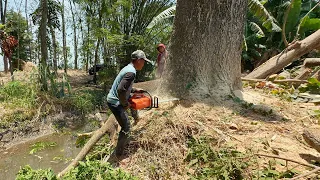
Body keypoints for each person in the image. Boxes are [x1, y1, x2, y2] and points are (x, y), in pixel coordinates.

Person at [107, 50, 151, 157]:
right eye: (143, 61)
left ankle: (136, 119)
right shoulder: (131, 72)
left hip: (116, 99)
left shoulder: (128, 68)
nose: (144, 64)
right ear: (139, 60)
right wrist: (125, 104)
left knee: (134, 98)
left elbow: (125, 87)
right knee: (126, 127)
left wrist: (135, 90)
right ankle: (119, 154)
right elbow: (121, 89)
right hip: (115, 102)